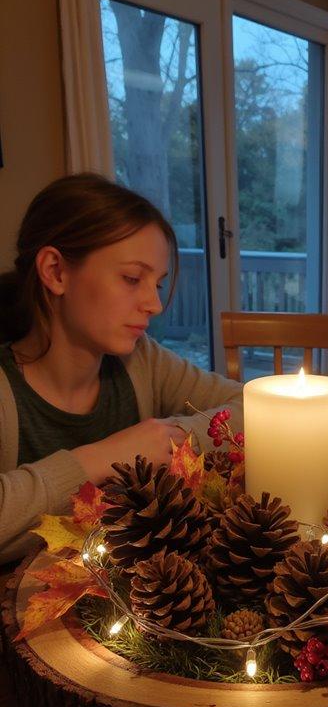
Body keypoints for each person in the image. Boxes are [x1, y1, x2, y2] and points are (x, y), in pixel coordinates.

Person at [0, 173, 243, 562]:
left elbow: (248, 408)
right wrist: (102, 457)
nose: (154, 304)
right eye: (132, 278)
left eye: (158, 284)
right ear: (56, 272)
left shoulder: (141, 361)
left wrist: (170, 438)